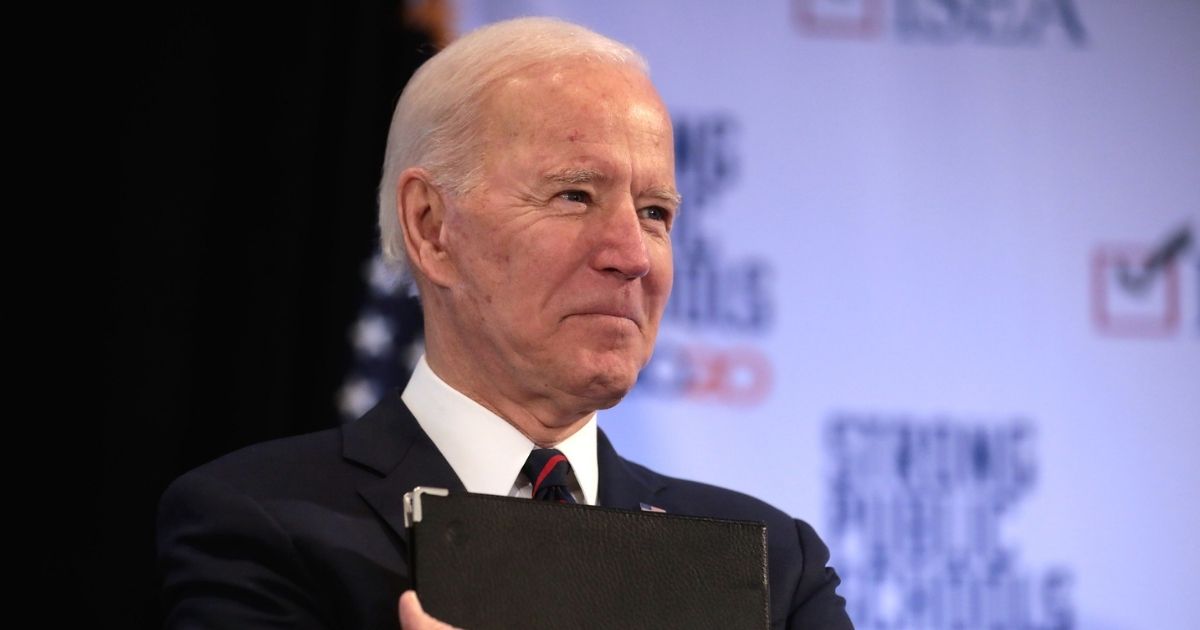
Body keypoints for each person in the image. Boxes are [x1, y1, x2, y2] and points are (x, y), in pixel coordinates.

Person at [157, 16, 852, 630]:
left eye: (655, 213)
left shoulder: (770, 565)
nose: (633, 256)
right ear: (432, 228)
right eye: (575, 195)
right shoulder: (265, 523)